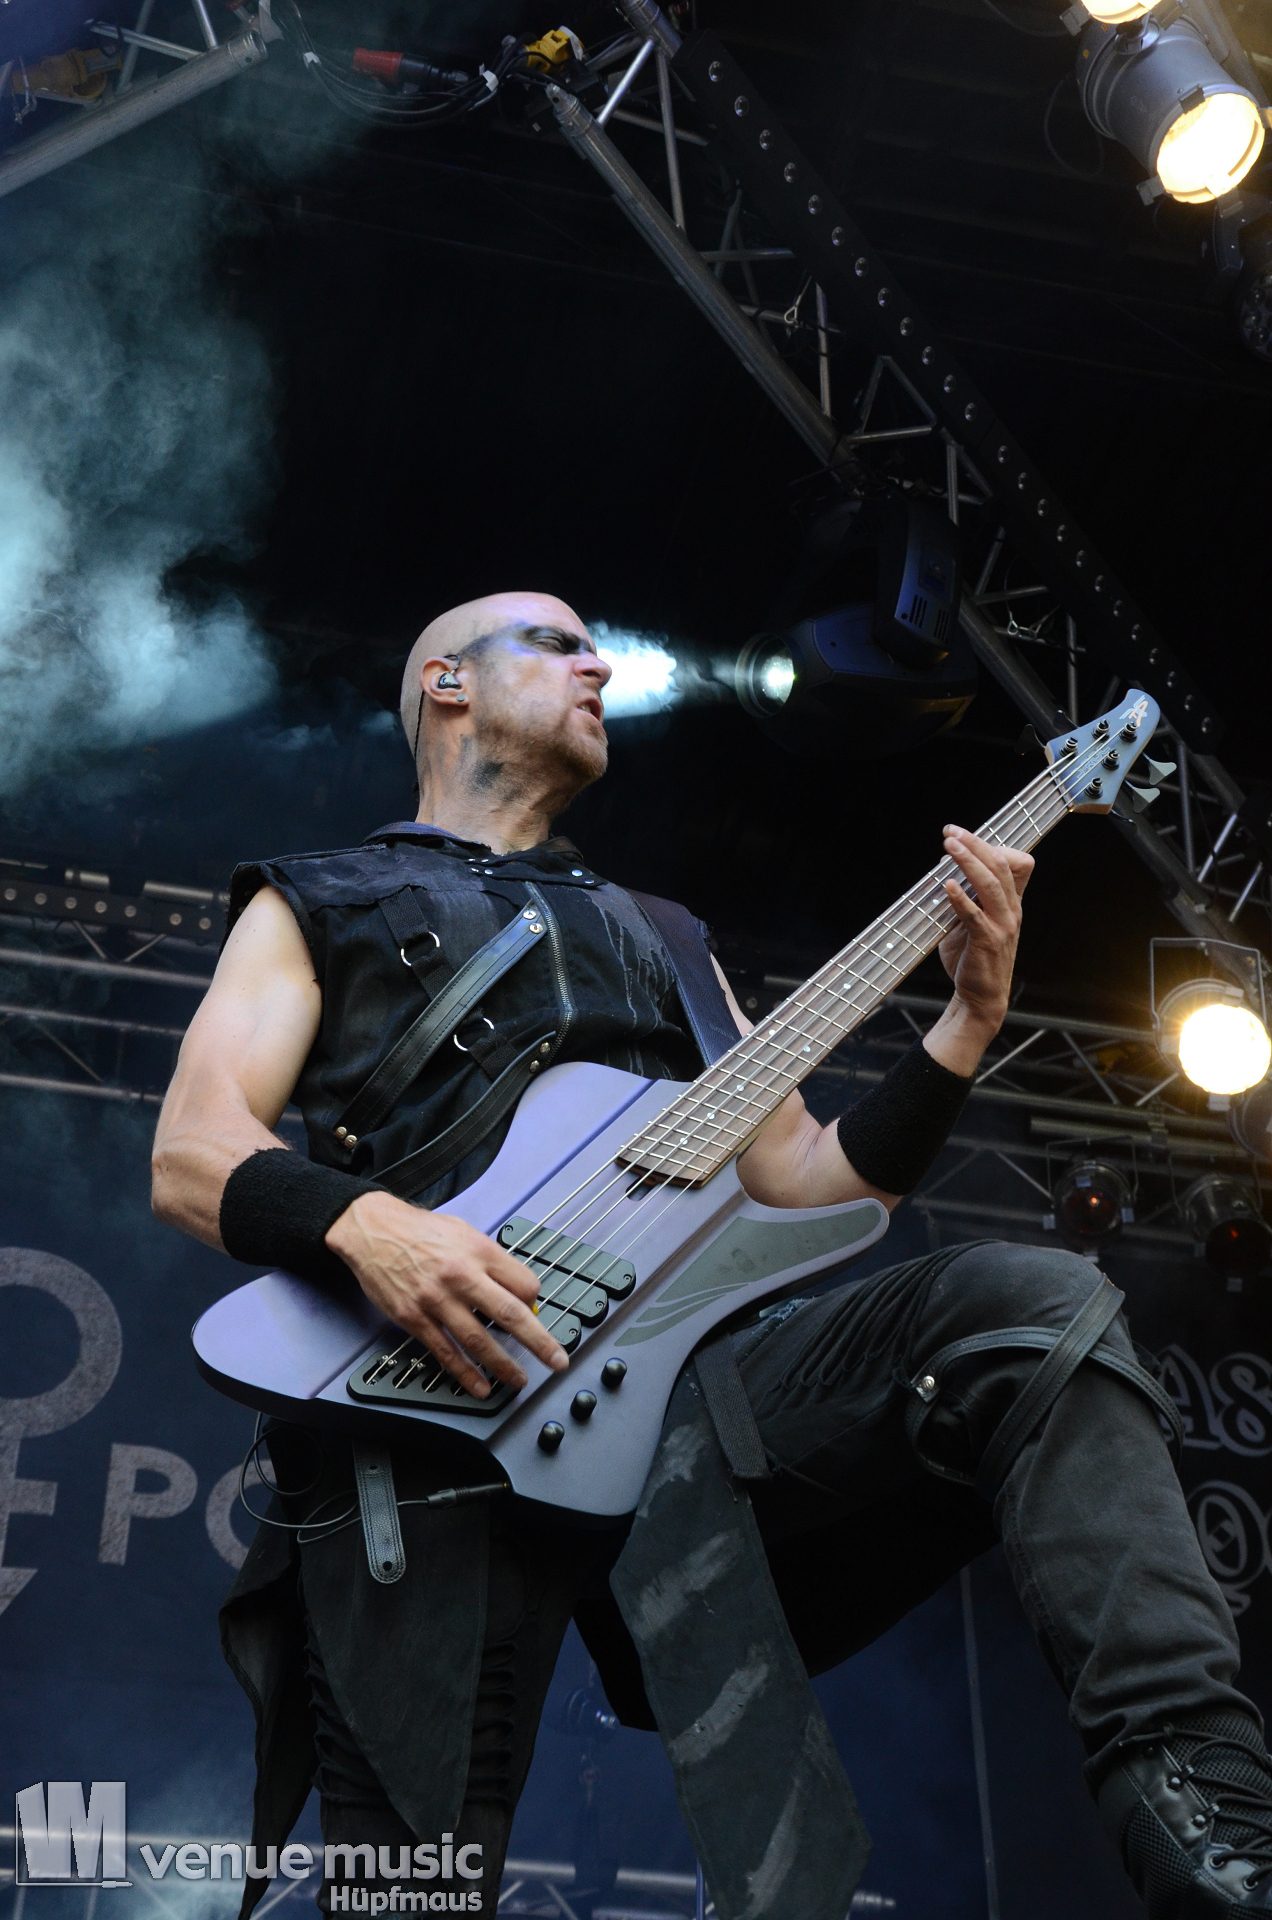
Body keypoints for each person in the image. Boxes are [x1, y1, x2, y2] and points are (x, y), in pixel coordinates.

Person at [153, 589, 1272, 1920]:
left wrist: (966, 1027)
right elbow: (194, 1149)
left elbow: (808, 1178)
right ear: (447, 682)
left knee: (1033, 1305)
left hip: (687, 1395)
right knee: (409, 1889)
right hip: (419, 1419)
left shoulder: (665, 937)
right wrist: (371, 1226)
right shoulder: (318, 898)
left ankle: (1208, 1821)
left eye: (597, 648)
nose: (597, 668)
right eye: (558, 645)